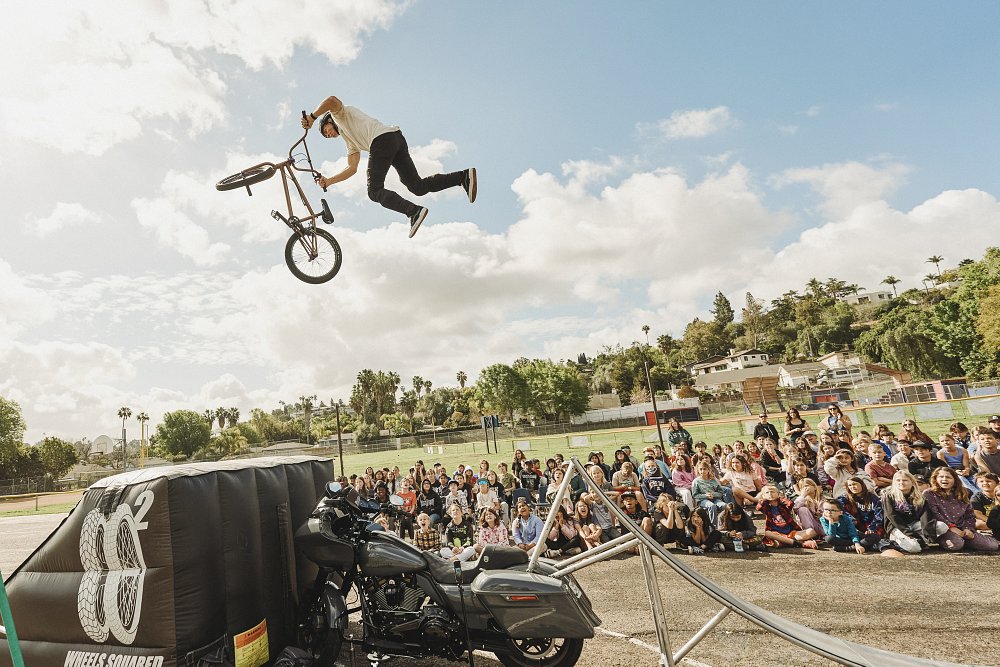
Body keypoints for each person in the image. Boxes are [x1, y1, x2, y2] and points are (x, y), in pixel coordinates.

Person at [302, 95, 477, 238]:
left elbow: (332, 100)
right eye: (327, 136)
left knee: (374, 191)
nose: (329, 134)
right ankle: (462, 177)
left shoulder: (340, 115)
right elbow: (352, 168)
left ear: (328, 120)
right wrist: (329, 181)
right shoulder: (350, 143)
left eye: (326, 130)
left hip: (381, 140)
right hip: (395, 139)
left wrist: (312, 117)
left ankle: (413, 211)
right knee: (417, 186)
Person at [923, 467, 999, 553]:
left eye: (948, 477)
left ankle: (964, 540)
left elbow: (969, 514)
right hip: (944, 529)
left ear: (955, 479)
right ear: (935, 479)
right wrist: (951, 527)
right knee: (957, 544)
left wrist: (969, 529)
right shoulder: (929, 493)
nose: (944, 479)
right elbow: (934, 513)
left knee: (993, 545)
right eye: (941, 477)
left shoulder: (963, 492)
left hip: (963, 527)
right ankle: (953, 540)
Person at [881, 471, 932, 555]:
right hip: (897, 526)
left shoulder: (918, 496)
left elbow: (925, 515)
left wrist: (928, 532)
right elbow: (892, 516)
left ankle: (918, 540)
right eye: (898, 480)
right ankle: (895, 541)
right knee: (915, 548)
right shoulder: (889, 496)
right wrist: (910, 533)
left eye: (905, 480)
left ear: (912, 482)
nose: (901, 482)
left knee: (941, 527)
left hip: (913, 524)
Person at [756, 484, 818, 549]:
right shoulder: (766, 506)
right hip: (776, 533)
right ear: (763, 495)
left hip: (791, 533)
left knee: (811, 531)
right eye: (767, 492)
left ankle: (784, 542)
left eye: (772, 492)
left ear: (778, 494)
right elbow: (759, 507)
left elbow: (790, 504)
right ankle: (800, 544)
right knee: (767, 533)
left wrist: (780, 498)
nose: (770, 494)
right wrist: (763, 498)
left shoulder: (783, 504)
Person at [838, 477, 887, 552]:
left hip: (871, 525)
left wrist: (872, 527)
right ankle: (862, 544)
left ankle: (854, 546)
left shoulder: (872, 498)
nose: (852, 487)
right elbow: (838, 507)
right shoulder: (845, 498)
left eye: (854, 484)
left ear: (862, 485)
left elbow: (879, 514)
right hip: (855, 526)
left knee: (874, 537)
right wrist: (851, 519)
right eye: (850, 485)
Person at [691, 460, 730, 526]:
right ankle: (713, 525)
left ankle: (725, 523)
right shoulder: (696, 481)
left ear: (708, 470)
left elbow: (720, 492)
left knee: (725, 506)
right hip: (702, 500)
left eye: (704, 469)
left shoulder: (713, 480)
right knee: (712, 506)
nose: (702, 471)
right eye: (700, 469)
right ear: (698, 470)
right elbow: (695, 495)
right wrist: (705, 495)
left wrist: (713, 494)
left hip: (715, 499)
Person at [971, 472, 1000, 538]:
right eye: (981, 481)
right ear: (977, 484)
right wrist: (991, 522)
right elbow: (977, 513)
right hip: (986, 521)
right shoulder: (976, 497)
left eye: (988, 481)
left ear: (997, 483)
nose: (985, 483)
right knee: (977, 523)